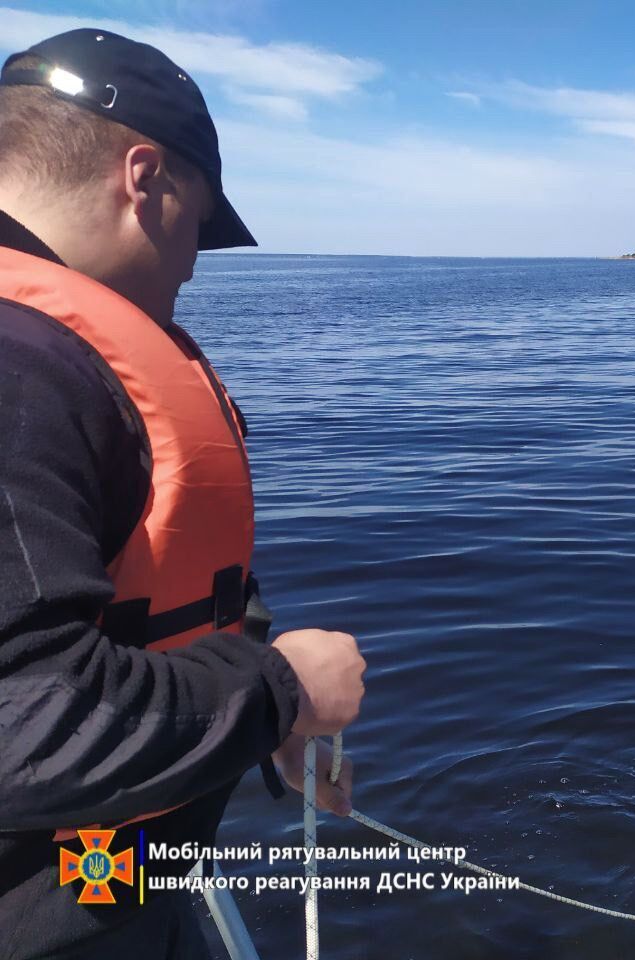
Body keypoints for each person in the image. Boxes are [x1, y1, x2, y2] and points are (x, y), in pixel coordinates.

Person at [0, 29, 365, 958]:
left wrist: (266, 723)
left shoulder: (51, 365)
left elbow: (139, 582)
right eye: (200, 227)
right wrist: (280, 693)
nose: (197, 264)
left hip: (103, 868)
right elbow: (21, 718)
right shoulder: (17, 369)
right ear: (143, 176)